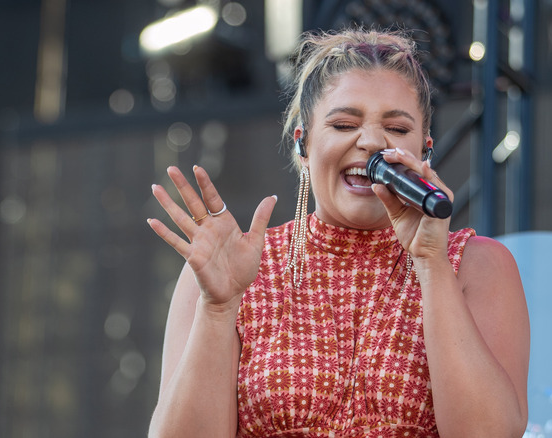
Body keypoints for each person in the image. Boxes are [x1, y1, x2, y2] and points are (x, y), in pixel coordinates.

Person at [146, 28, 530, 437]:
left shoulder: (475, 264)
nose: (371, 142)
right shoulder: (233, 269)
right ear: (303, 145)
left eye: (397, 130)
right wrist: (218, 308)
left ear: (424, 150)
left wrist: (432, 264)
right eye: (345, 124)